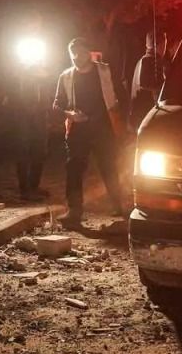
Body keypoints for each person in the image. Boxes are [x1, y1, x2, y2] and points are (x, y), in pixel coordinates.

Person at [53, 35, 127, 224]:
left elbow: (122, 95)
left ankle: (118, 206)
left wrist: (124, 121)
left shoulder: (105, 71)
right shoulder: (66, 76)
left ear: (89, 53)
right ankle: (74, 210)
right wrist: (69, 114)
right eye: (73, 53)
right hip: (78, 130)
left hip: (104, 127)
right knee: (74, 168)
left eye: (80, 52)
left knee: (108, 167)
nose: (77, 56)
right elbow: (57, 104)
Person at [8, 47, 56, 201]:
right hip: (22, 115)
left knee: (40, 150)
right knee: (23, 149)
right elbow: (13, 91)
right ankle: (25, 189)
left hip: (40, 115)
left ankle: (34, 186)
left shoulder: (43, 74)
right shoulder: (18, 74)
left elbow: (48, 88)